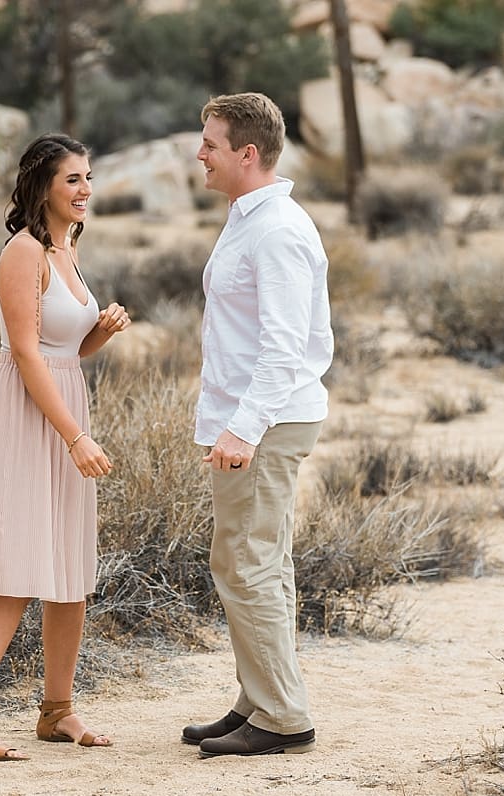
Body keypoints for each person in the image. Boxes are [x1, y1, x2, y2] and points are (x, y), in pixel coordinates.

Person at [0, 133, 129, 762]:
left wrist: (99, 333)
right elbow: (24, 353)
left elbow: (63, 352)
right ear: (43, 184)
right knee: (18, 568)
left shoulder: (67, 250)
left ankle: (57, 711)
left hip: (63, 400)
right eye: (73, 179)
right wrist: (74, 434)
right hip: (27, 416)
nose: (85, 190)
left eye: (89, 178)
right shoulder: (23, 252)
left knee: (70, 567)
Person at [180, 93, 334, 758]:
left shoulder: (276, 230)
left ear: (247, 153)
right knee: (255, 562)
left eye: (210, 143)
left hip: (266, 422)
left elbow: (283, 348)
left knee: (246, 564)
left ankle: (281, 714)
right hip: (253, 418)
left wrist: (243, 430)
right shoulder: (249, 219)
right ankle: (260, 697)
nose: (199, 154)